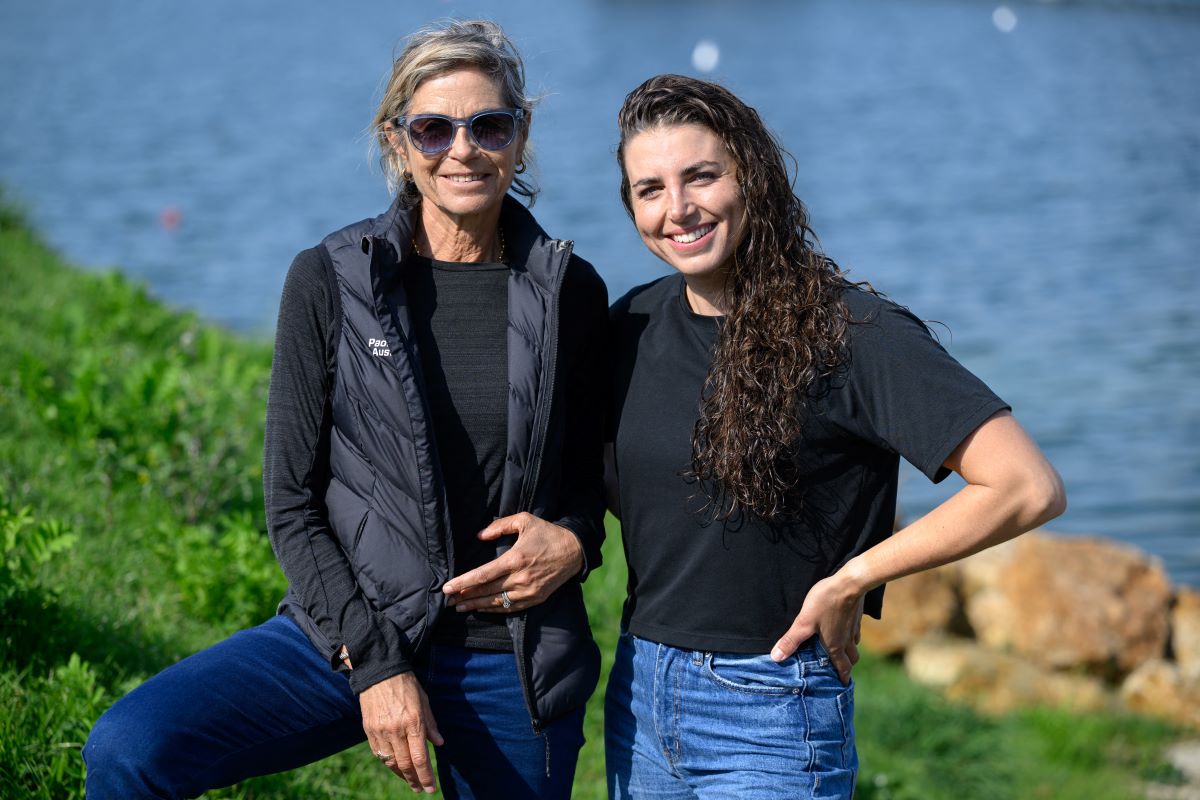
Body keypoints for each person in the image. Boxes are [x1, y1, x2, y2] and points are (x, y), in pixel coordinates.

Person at [83, 20, 608, 799]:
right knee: (130, 748)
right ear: (397, 141)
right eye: (434, 129)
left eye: (489, 126)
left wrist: (575, 540)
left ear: (520, 136)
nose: (463, 150)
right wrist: (375, 661)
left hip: (512, 651)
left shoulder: (571, 292)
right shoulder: (330, 280)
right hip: (352, 627)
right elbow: (291, 503)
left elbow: (590, 477)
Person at [604, 74, 1066, 800]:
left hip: (773, 707)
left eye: (702, 176)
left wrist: (855, 577)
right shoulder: (630, 325)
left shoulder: (849, 332)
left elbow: (1025, 485)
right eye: (650, 189)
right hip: (639, 697)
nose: (678, 208)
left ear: (752, 176)